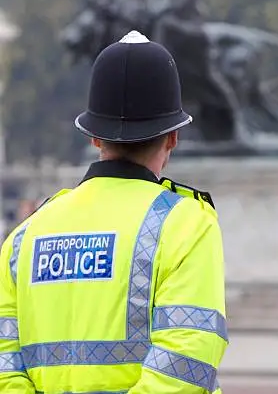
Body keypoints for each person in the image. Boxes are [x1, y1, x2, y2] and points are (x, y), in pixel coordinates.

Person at [0, 31, 227, 392]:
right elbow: (186, 362)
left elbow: (5, 366)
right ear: (173, 137)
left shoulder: (26, 235)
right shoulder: (185, 224)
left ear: (94, 137)